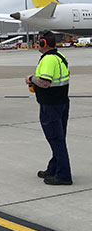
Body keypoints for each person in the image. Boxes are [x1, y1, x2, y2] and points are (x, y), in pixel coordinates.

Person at [25, 30, 72, 185]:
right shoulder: (60, 57)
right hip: (62, 103)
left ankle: (63, 175)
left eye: (39, 42)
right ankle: (53, 168)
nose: (37, 44)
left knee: (56, 140)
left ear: (44, 44)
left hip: (51, 106)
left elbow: (45, 82)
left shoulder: (48, 60)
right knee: (58, 139)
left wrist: (31, 79)